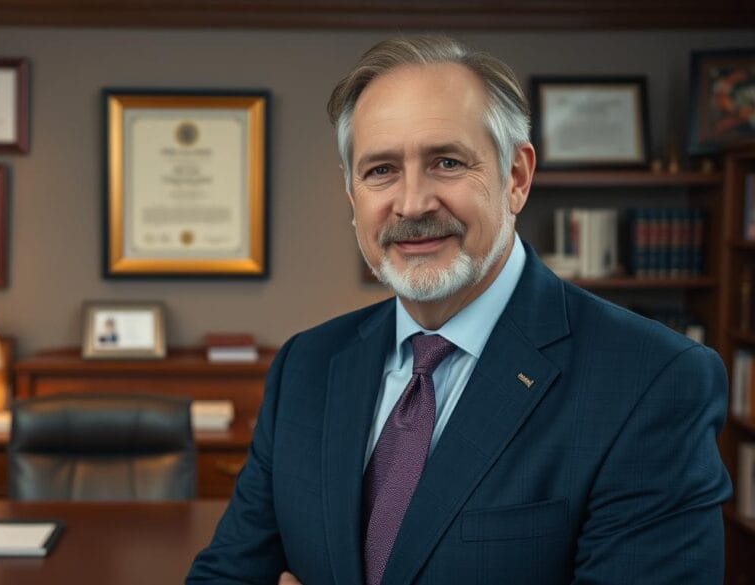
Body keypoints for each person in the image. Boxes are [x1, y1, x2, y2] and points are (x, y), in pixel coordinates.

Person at [187, 35, 730, 585]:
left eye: (446, 162)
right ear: (353, 198)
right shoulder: (305, 366)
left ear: (516, 177)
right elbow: (226, 575)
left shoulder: (651, 381)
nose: (412, 203)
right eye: (381, 170)